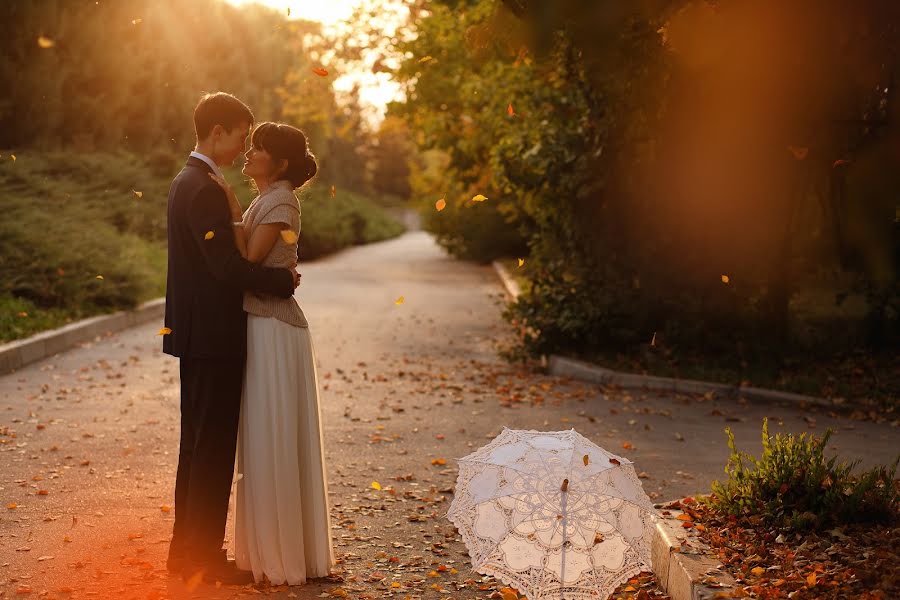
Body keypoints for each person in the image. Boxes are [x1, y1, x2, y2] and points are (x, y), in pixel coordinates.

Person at [163, 93, 300, 585]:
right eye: (240, 134)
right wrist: (281, 283)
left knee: (197, 447)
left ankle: (186, 553)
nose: (244, 143)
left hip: (198, 334)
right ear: (216, 131)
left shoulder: (192, 181)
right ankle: (201, 558)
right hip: (213, 336)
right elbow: (224, 267)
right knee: (212, 448)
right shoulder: (200, 186)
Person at [208, 121, 334, 585]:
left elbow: (249, 259)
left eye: (258, 148)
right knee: (266, 435)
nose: (249, 153)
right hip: (262, 322)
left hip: (274, 327)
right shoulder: (270, 198)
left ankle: (283, 557)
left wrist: (229, 205)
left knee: (273, 433)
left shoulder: (281, 200)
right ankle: (275, 550)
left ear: (279, 163)